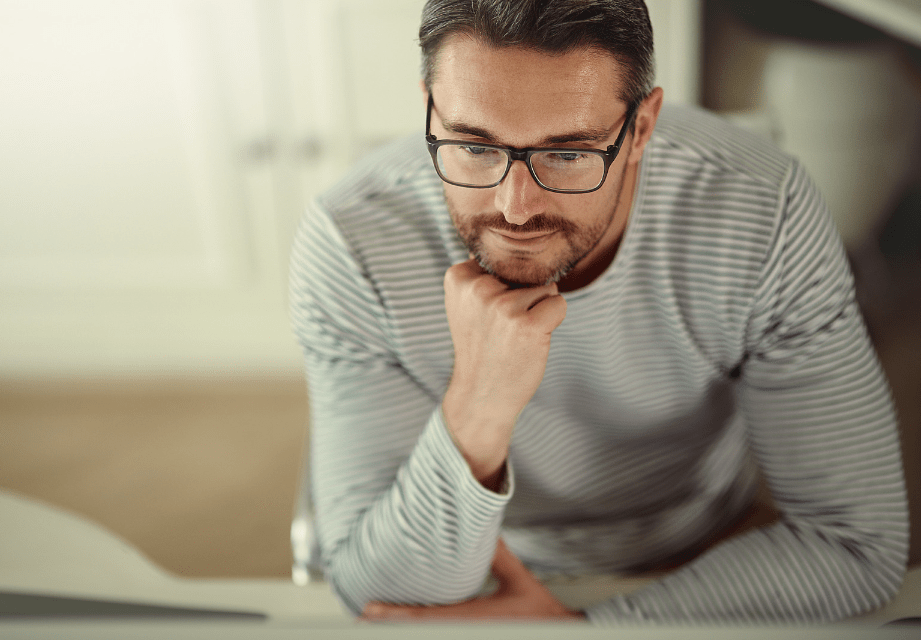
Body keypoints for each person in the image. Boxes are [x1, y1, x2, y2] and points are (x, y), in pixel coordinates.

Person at [289, 0, 909, 624]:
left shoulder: (762, 212)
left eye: (566, 154)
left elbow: (857, 547)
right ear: (429, 107)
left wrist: (589, 631)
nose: (515, 208)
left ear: (640, 130)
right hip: (473, 565)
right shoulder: (353, 238)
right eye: (474, 146)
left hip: (705, 556)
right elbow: (382, 597)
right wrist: (479, 400)